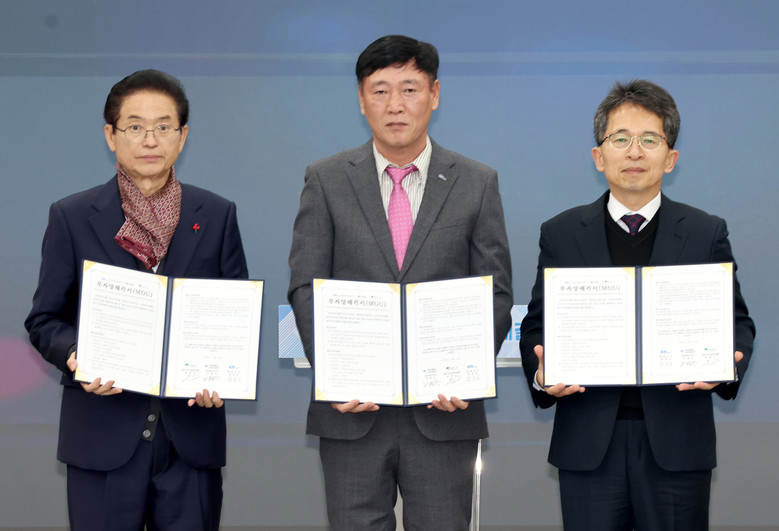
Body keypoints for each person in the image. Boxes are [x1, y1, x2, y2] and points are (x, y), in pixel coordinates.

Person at [287, 35, 513, 530]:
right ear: (361, 99)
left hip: (444, 411)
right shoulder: (325, 179)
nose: (395, 105)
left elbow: (495, 290)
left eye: (409, 89)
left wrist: (466, 373)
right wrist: (336, 373)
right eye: (380, 90)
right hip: (352, 411)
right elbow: (306, 285)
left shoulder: (476, 181)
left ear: (434, 94)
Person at [519, 79, 755, 530]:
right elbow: (536, 326)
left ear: (670, 158)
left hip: (677, 441)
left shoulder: (705, 232)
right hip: (588, 442)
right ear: (598, 155)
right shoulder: (562, 233)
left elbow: (737, 322)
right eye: (620, 139)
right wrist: (541, 372)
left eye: (649, 140)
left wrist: (728, 362)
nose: (634, 152)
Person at [25, 69, 248, 531]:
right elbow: (44, 319)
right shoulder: (71, 216)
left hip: (191, 438)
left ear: (182, 137)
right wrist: (77, 356)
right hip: (102, 436)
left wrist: (222, 372)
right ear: (111, 136)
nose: (150, 139)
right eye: (135, 126)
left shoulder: (217, 214)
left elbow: (235, 316)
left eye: (164, 126)